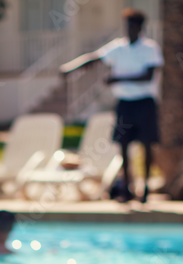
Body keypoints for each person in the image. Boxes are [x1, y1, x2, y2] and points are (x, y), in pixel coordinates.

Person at [60, 9, 163, 204]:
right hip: (125, 105)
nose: (129, 29)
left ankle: (146, 189)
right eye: (127, 26)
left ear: (140, 27)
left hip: (145, 103)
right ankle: (127, 189)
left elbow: (148, 76)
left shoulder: (150, 48)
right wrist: (71, 68)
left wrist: (118, 78)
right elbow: (94, 58)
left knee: (147, 145)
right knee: (123, 146)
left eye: (133, 26)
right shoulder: (118, 48)